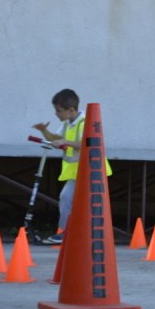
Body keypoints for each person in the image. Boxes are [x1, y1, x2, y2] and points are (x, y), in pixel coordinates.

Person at [32, 88, 111, 244]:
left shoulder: (85, 122)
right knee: (71, 200)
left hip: (91, 170)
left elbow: (87, 143)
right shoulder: (68, 124)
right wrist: (44, 130)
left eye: (59, 110)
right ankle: (70, 233)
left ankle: (67, 233)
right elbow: (55, 138)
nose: (56, 114)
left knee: (69, 199)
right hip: (78, 172)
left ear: (71, 110)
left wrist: (65, 142)